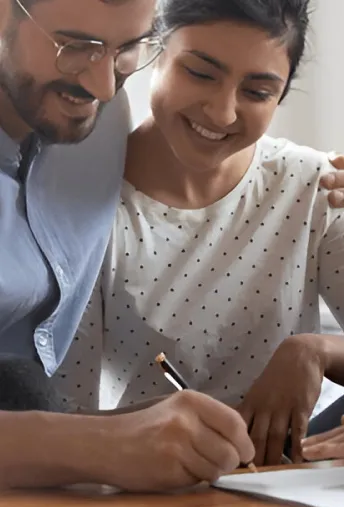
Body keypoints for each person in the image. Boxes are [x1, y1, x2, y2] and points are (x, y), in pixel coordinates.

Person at [56, 0, 344, 469]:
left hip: (288, 472)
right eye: (200, 74)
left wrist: (315, 350)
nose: (223, 112)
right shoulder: (84, 205)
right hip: (138, 474)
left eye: (256, 92)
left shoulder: (313, 184)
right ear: (153, 52)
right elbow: (66, 412)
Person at [0, 0, 257, 491]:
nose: (103, 85)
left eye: (128, 48)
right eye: (75, 47)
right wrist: (93, 444)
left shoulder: (99, 114)